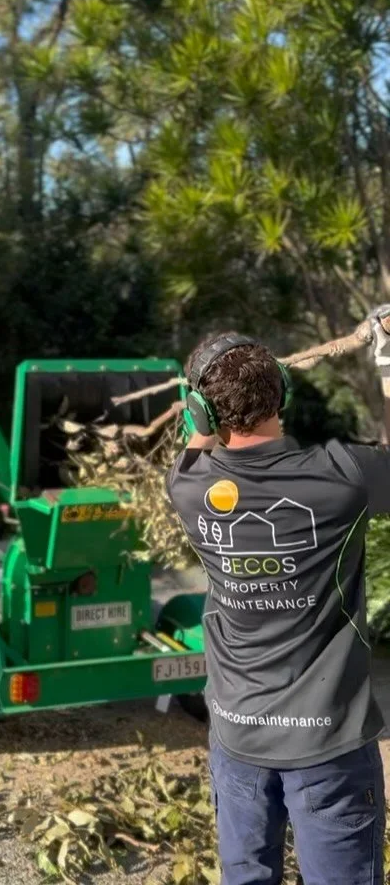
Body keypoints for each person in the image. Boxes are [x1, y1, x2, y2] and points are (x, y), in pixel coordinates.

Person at [165, 306, 390, 885]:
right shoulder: (345, 478)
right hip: (328, 745)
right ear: (282, 392)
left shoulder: (189, 487)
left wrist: (200, 416)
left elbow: (195, 445)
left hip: (237, 738)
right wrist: (387, 361)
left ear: (203, 411)